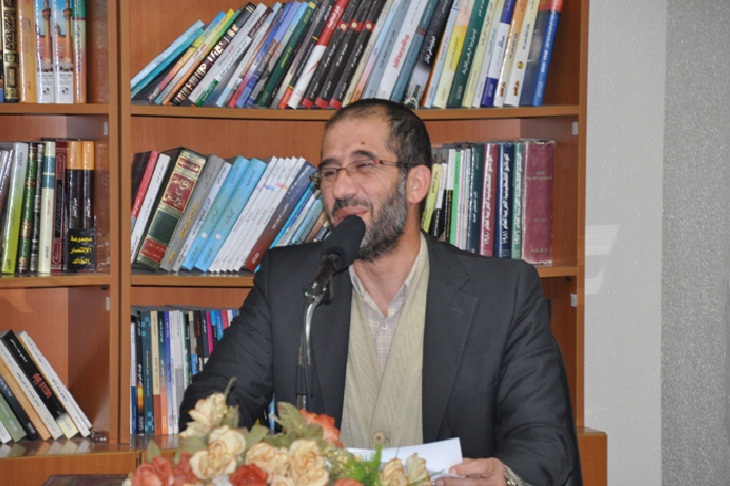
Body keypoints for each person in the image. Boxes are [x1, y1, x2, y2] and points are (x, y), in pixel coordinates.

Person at [179, 99, 582, 485]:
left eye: (363, 166)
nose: (341, 189)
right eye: (330, 172)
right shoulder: (289, 283)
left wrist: (504, 477)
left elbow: (544, 437)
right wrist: (253, 464)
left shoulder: (503, 294)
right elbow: (213, 403)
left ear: (416, 184)